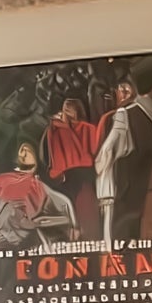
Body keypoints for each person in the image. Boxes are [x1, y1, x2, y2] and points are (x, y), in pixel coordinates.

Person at [95, 71, 152, 246]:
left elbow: (111, 145)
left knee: (123, 213)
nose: (119, 93)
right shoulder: (151, 111)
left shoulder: (123, 113)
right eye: (118, 90)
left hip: (126, 169)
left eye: (122, 89)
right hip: (146, 166)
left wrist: (100, 163)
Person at [43, 88, 107, 238]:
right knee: (75, 209)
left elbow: (95, 149)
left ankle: (88, 236)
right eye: (65, 109)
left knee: (84, 208)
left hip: (80, 173)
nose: (67, 112)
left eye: (69, 108)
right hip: (72, 174)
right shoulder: (55, 129)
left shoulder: (86, 129)